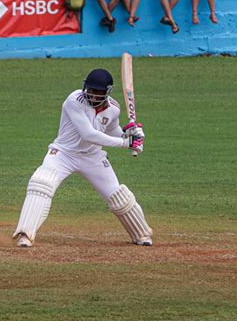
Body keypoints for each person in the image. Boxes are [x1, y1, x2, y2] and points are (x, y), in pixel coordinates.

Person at [12, 69, 152, 248]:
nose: (92, 95)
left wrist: (130, 134)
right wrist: (126, 143)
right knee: (41, 183)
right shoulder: (74, 101)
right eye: (90, 90)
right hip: (63, 154)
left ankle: (141, 234)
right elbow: (88, 134)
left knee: (118, 196)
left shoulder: (114, 108)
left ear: (107, 92)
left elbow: (112, 131)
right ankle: (25, 234)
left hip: (92, 157)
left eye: (97, 92)